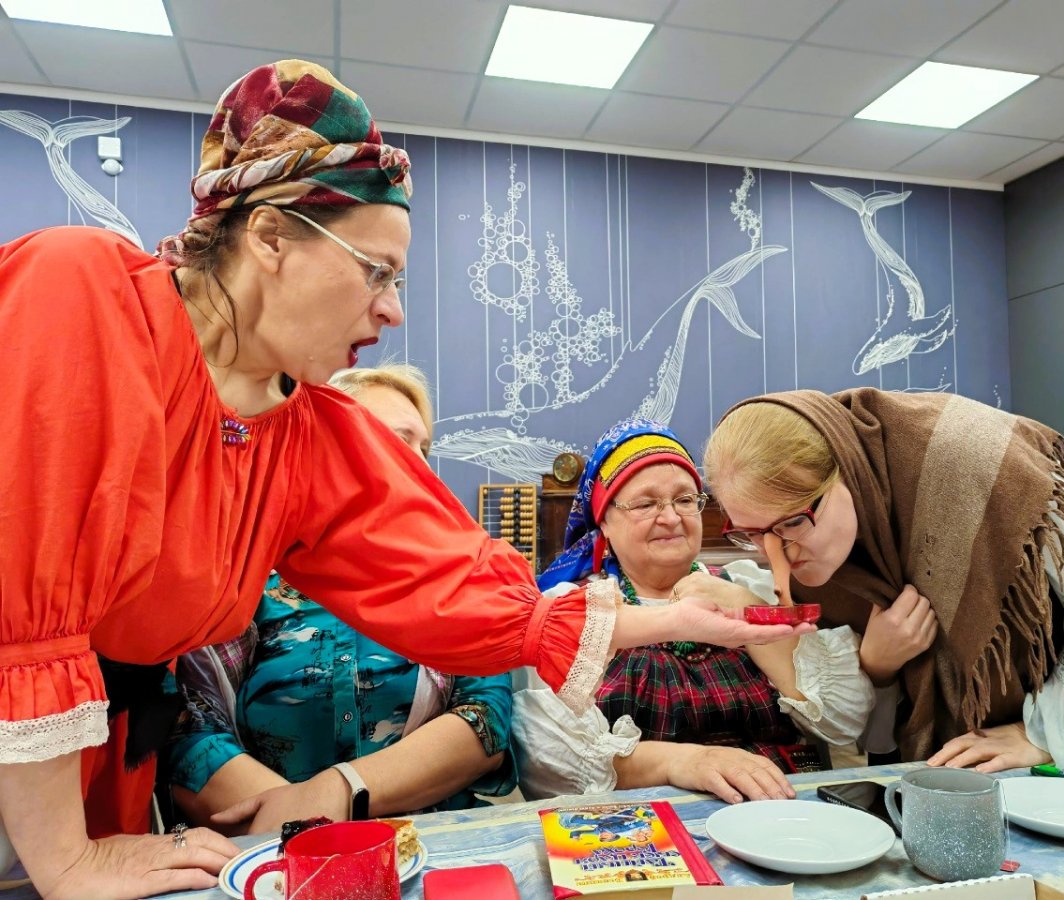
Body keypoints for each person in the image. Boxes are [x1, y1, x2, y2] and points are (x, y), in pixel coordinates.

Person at [0, 60, 799, 900]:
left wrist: (671, 619)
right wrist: (66, 858)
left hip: (78, 768)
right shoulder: (82, 293)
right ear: (269, 237)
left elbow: (450, 586)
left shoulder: (304, 430)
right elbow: (23, 601)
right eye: (376, 271)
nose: (393, 310)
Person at [703, 388, 1064, 774]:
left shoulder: (968, 457)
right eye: (752, 534)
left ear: (848, 474)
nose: (778, 561)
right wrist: (880, 665)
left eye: (791, 523)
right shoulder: (812, 537)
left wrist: (1044, 730)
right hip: (967, 755)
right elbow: (866, 727)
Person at [166, 365, 516, 834]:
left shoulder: (463, 582)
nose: (419, 464)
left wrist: (341, 790)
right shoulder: (243, 578)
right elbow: (192, 734)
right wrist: (308, 834)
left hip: (433, 844)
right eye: (396, 440)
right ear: (324, 448)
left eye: (424, 449)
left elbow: (484, 719)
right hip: (276, 855)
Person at [512, 419, 872, 805]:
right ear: (604, 523)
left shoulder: (753, 583)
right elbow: (549, 762)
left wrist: (743, 604)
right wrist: (685, 762)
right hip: (646, 824)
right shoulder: (571, 611)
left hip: (782, 806)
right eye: (646, 504)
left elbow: (844, 719)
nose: (671, 517)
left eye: (685, 500)